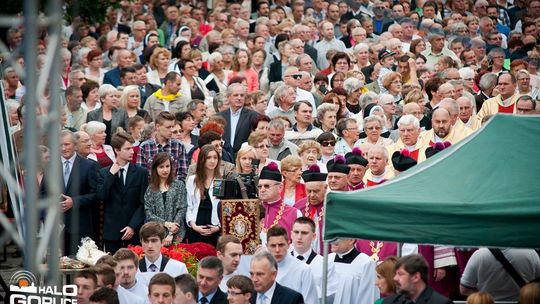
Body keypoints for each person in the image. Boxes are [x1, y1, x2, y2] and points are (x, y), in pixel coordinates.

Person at [40, 130, 98, 255]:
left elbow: (96, 195)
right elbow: (43, 193)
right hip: (57, 226)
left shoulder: (89, 166)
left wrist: (74, 202)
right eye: (60, 145)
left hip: (80, 226)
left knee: (81, 266)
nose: (63, 148)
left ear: (75, 145)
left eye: (67, 144)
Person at [97, 132, 148, 253]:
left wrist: (132, 226)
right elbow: (101, 196)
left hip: (134, 231)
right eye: (128, 148)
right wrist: (111, 175)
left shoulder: (141, 172)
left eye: (132, 148)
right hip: (112, 232)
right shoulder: (104, 173)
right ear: (117, 150)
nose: (132, 151)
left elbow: (143, 203)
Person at [459, 247, 540, 301]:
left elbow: (464, 290)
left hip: (490, 302)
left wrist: (485, 295)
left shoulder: (479, 255)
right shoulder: (530, 252)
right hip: (522, 301)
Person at [290, 217, 338, 302]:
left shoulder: (325, 264)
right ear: (291, 234)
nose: (299, 237)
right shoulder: (281, 261)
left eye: (304, 233)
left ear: (314, 236)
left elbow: (330, 296)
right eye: (296, 232)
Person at [266, 225, 318, 303]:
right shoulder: (261, 268)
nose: (277, 250)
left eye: (281, 245)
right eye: (273, 246)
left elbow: (310, 301)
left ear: (288, 244)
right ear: (267, 246)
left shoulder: (303, 270)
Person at [144, 152, 187, 245]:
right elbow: (148, 212)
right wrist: (166, 224)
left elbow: (182, 208)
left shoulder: (179, 185)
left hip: (177, 233)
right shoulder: (151, 188)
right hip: (156, 234)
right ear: (155, 168)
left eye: (167, 166)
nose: (165, 170)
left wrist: (171, 232)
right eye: (161, 167)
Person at [185, 144, 222, 246]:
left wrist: (218, 227)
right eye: (208, 157)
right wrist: (193, 225)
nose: (212, 161)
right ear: (202, 159)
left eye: (215, 157)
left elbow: (224, 207)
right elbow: (189, 205)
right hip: (196, 225)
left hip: (214, 226)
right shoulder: (192, 180)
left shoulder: (221, 181)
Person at [137, 111, 189, 181]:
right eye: (168, 127)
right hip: (151, 188)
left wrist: (173, 188)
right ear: (158, 127)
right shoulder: (145, 146)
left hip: (174, 188)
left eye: (172, 127)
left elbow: (182, 173)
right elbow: (141, 175)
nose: (172, 130)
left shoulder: (179, 145)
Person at [382, 254, 453, 304]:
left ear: (416, 277)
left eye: (400, 274)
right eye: (395, 274)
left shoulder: (440, 302)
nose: (395, 278)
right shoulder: (390, 301)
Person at [258, 162, 301, 241]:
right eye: (260, 186)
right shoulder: (253, 210)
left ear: (280, 187)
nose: (262, 189)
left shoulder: (294, 213)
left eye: (267, 186)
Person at [330, 238, 379, 304]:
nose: (333, 241)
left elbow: (368, 298)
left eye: (338, 237)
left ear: (351, 240)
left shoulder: (366, 263)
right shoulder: (327, 260)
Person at [217, 83, 260, 156]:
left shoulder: (254, 116)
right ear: (228, 97)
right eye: (236, 95)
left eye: (242, 95)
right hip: (223, 157)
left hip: (245, 157)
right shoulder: (219, 117)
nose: (239, 98)